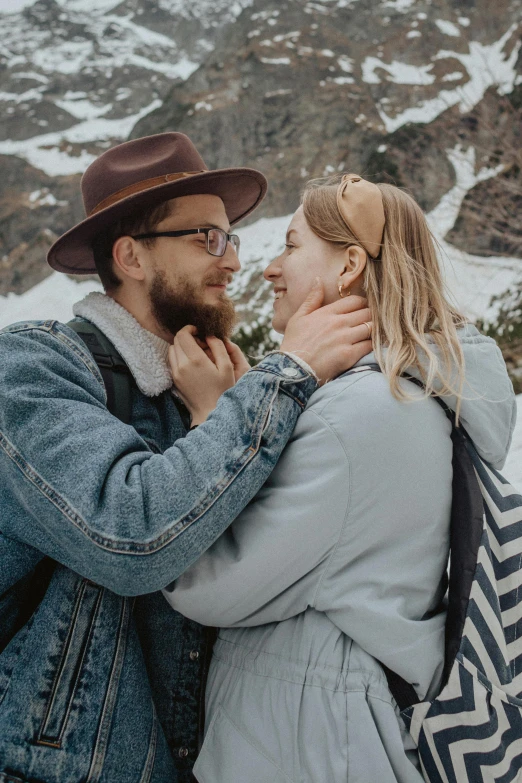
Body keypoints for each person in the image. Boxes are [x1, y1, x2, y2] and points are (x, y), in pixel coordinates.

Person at [0, 137, 374, 783]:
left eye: (232, 239)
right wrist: (286, 373)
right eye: (207, 238)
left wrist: (218, 410)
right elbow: (128, 532)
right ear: (130, 256)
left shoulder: (218, 390)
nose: (233, 263)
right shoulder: (33, 367)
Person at [165, 174, 517, 782]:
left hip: (312, 746)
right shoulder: (406, 397)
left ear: (350, 265)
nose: (270, 269)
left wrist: (211, 419)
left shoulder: (355, 418)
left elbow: (202, 576)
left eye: (292, 246)